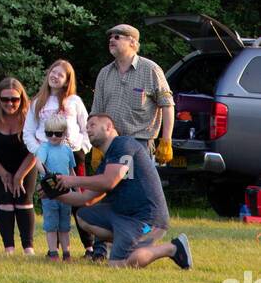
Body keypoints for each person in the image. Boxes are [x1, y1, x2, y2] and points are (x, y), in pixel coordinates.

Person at [54, 113, 192, 270]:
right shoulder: (107, 160)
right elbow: (86, 199)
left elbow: (109, 181)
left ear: (108, 126)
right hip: (124, 217)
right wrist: (56, 194)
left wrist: (72, 180)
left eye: (92, 125)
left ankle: (173, 248)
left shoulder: (124, 144)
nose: (88, 130)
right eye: (86, 127)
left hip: (147, 219)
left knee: (118, 264)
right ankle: (129, 242)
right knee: (83, 216)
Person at [24, 57, 93, 254]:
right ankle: (54, 248)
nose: (55, 76)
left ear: (67, 80)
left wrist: (84, 147)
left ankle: (89, 246)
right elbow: (28, 131)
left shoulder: (74, 101)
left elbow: (86, 127)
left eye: (60, 74)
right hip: (47, 158)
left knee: (78, 200)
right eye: (53, 72)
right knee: (53, 199)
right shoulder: (38, 102)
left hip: (71, 155)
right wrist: (38, 151)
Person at [90, 24, 174, 159]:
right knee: (109, 180)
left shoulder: (150, 69)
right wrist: (96, 144)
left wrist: (166, 141)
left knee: (136, 181)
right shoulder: (104, 73)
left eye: (117, 37)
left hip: (139, 144)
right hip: (109, 143)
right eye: (110, 37)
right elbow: (96, 111)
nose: (111, 40)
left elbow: (167, 105)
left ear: (132, 42)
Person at [0, 77, 38, 255]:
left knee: (24, 199)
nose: (10, 103)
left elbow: (35, 149)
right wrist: (3, 173)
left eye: (15, 99)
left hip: (26, 160)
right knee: (4, 200)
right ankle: (9, 248)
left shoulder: (30, 116)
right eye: (5, 99)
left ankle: (28, 248)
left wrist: (20, 175)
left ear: (22, 99)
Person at [35, 112, 74, 261]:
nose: (53, 137)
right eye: (49, 133)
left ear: (64, 133)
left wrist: (77, 188)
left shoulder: (67, 150)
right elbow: (38, 162)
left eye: (57, 134)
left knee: (65, 225)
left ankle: (66, 253)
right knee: (51, 224)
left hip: (65, 193)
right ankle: (53, 252)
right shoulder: (44, 147)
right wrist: (47, 175)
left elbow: (71, 171)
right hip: (50, 193)